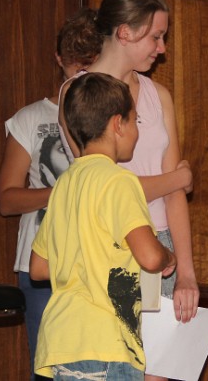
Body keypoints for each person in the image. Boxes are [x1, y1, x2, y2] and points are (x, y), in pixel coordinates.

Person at [58, 0, 197, 381]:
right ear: (124, 33)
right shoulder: (78, 93)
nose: (162, 48)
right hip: (109, 249)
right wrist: (176, 177)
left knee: (159, 371)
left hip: (161, 249)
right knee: (115, 369)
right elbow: (104, 186)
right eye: (156, 36)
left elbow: (174, 195)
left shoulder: (159, 95)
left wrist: (187, 272)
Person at [30, 72, 177, 380]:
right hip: (107, 344)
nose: (137, 131)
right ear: (117, 124)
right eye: (135, 121)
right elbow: (150, 257)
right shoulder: (120, 182)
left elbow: (39, 268)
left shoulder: (63, 186)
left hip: (63, 341)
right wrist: (168, 257)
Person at [0, 15, 101, 380]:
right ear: (58, 59)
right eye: (75, 67)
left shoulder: (111, 116)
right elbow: (7, 200)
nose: (81, 76)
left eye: (89, 67)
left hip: (97, 261)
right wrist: (62, 193)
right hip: (41, 264)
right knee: (46, 368)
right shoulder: (30, 118)